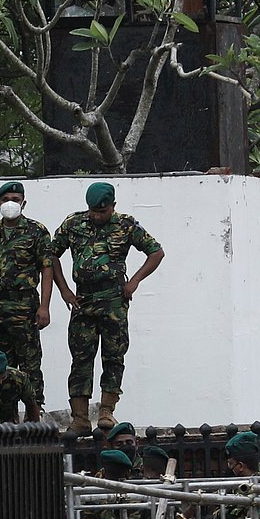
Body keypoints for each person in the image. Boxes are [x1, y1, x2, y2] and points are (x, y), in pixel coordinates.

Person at [50, 182, 165, 435]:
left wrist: (134, 281)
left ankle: (106, 412)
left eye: (102, 211)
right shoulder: (73, 224)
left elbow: (156, 252)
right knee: (81, 358)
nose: (96, 216)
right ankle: (80, 418)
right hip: (83, 301)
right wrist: (64, 290)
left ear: (113, 206)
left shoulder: (126, 224)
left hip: (113, 299)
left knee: (113, 356)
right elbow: (50, 255)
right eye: (93, 211)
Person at [0, 181, 54, 405]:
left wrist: (44, 307)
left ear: (23, 203)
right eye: (6, 200)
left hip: (25, 307)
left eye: (15, 200)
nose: (10, 204)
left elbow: (47, 268)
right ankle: (2, 413)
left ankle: (35, 412)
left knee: (30, 364)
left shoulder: (37, 231)